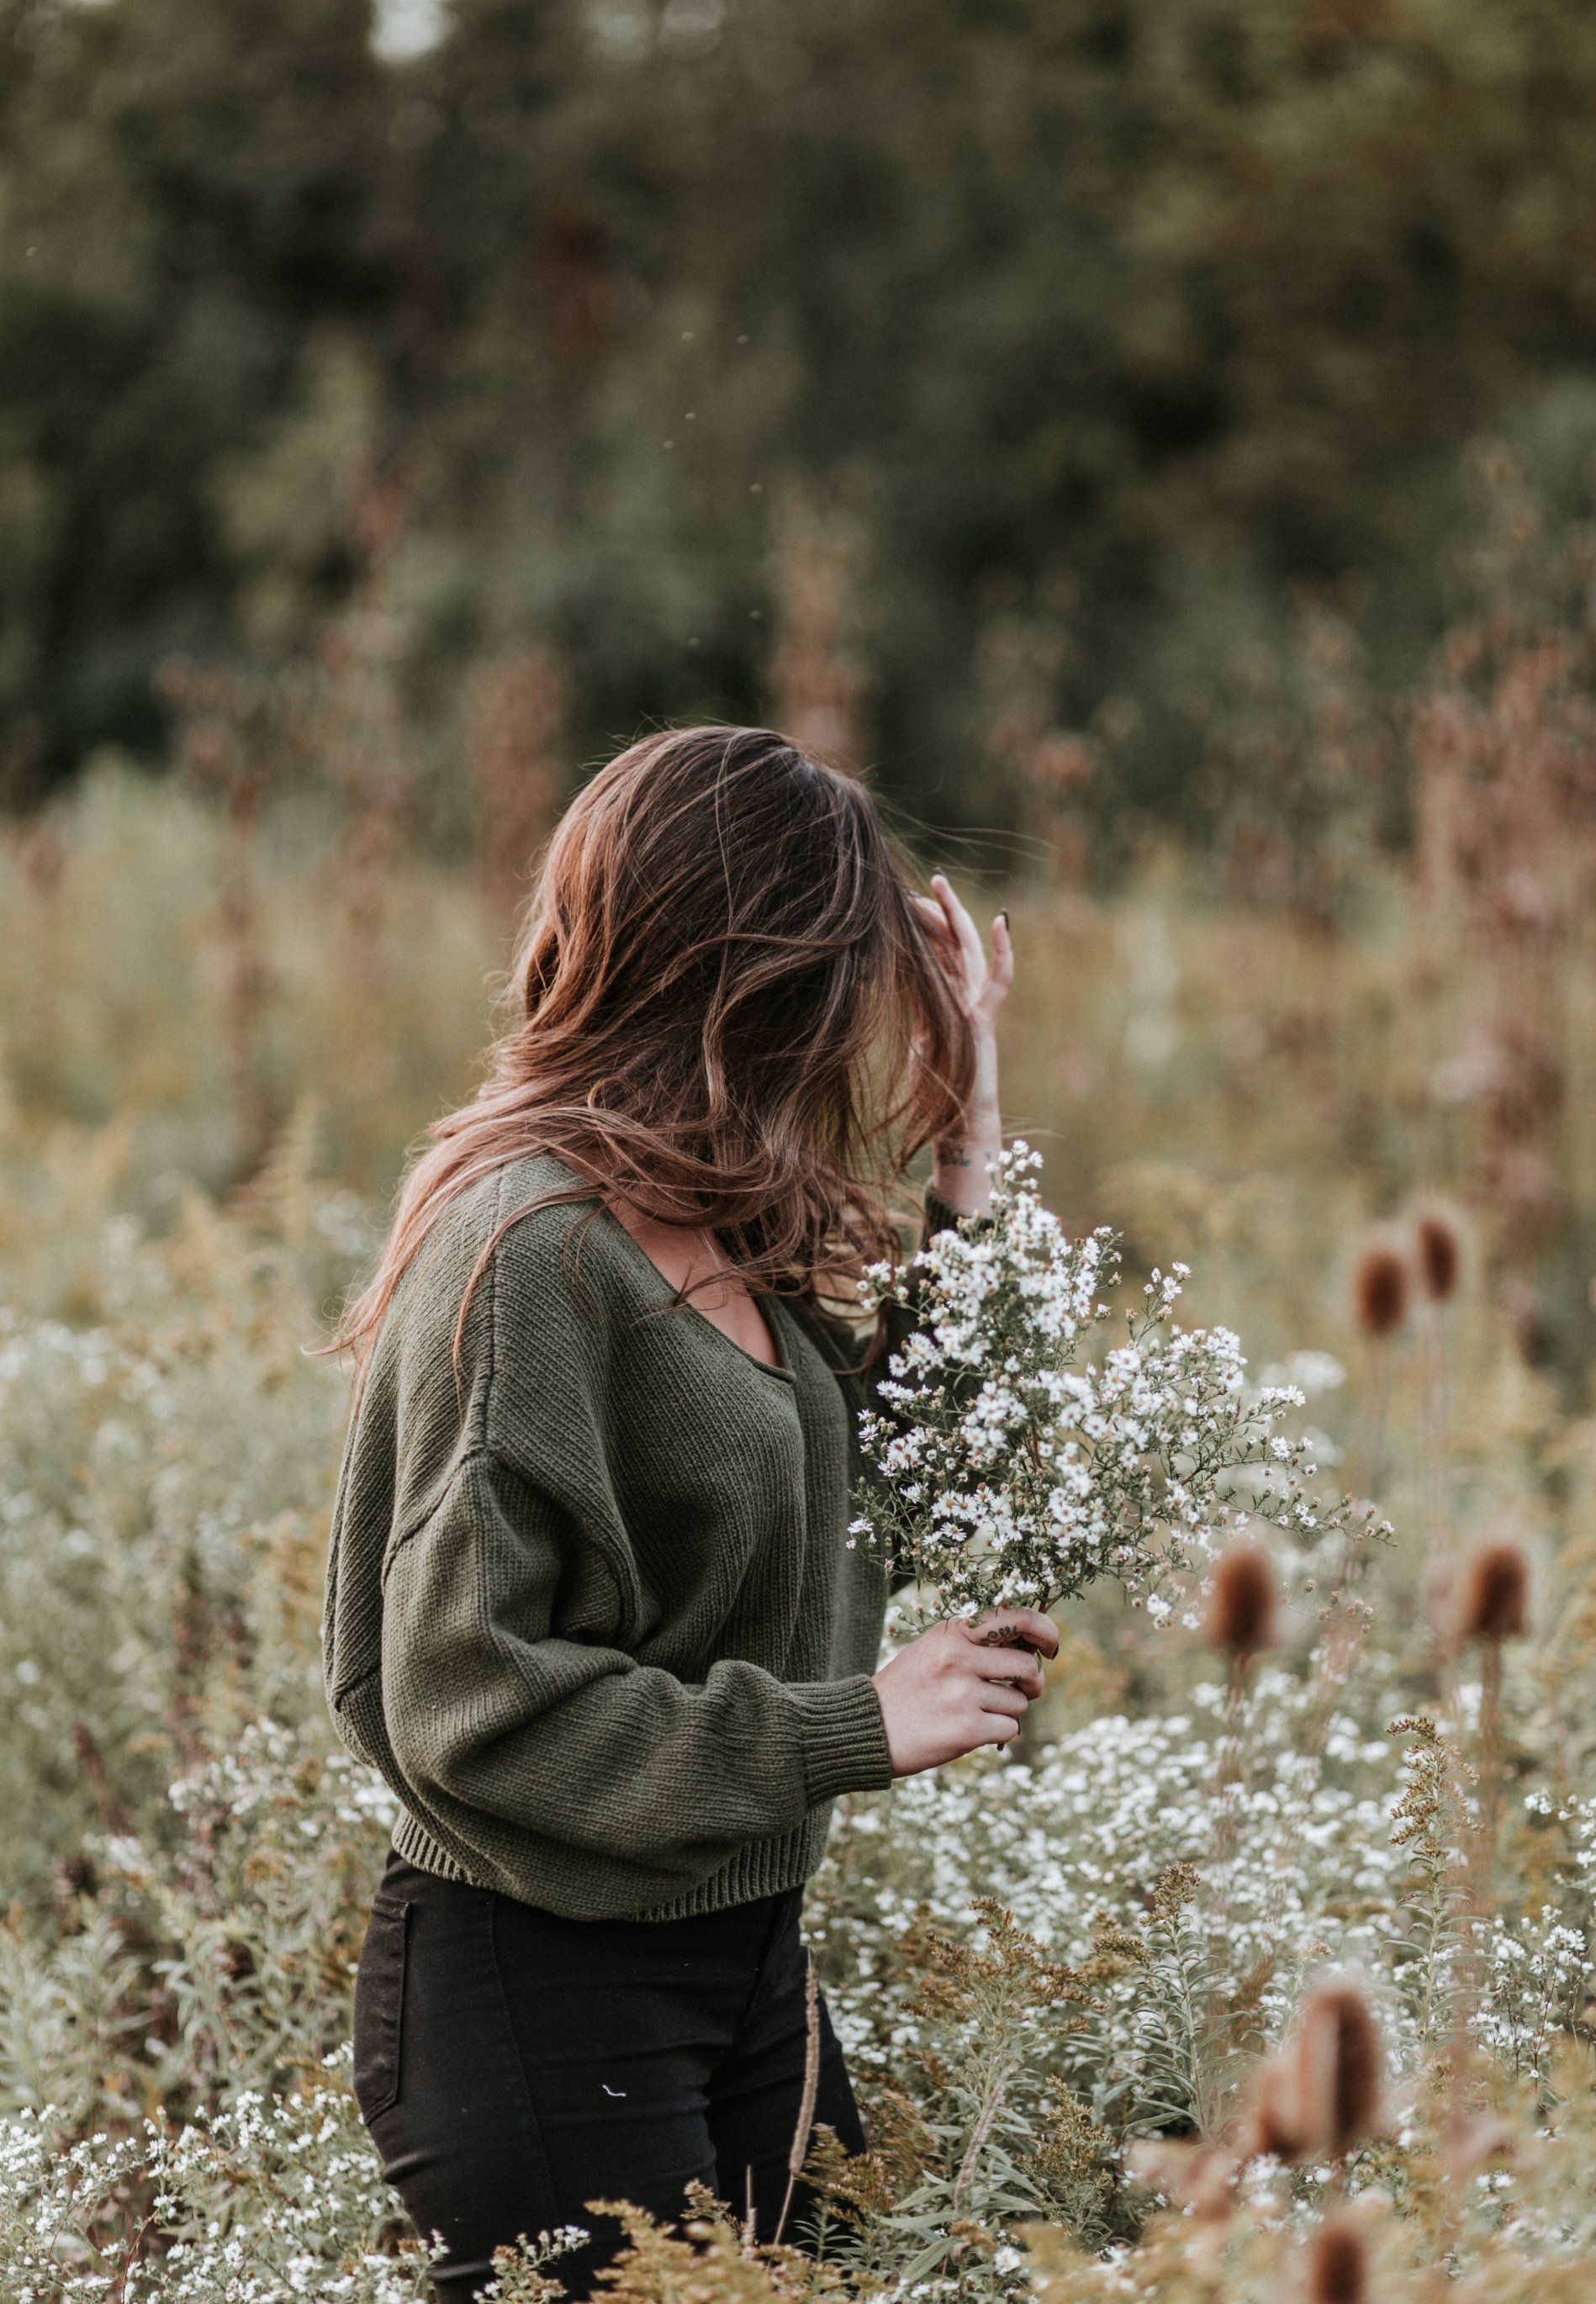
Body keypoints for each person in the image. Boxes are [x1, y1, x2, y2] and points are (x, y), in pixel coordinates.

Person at [321, 725, 1058, 2300]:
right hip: (538, 1982)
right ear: (743, 981)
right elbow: (463, 1695)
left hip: (741, 1956)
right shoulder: (532, 1255)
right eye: (842, 977)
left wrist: (970, 1148)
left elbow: (899, 1472)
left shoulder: (718, 1217)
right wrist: (845, 1724)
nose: (861, 1020)